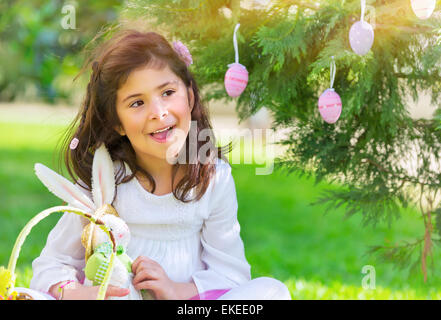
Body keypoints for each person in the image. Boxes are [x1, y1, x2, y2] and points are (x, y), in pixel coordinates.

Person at [29, 29, 291, 300]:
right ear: (117, 122)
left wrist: (175, 290)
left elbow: (231, 276)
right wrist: (78, 294)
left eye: (167, 92)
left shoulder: (214, 179)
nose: (158, 112)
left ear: (189, 97)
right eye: (137, 103)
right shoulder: (102, 183)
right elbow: (50, 265)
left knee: (272, 292)